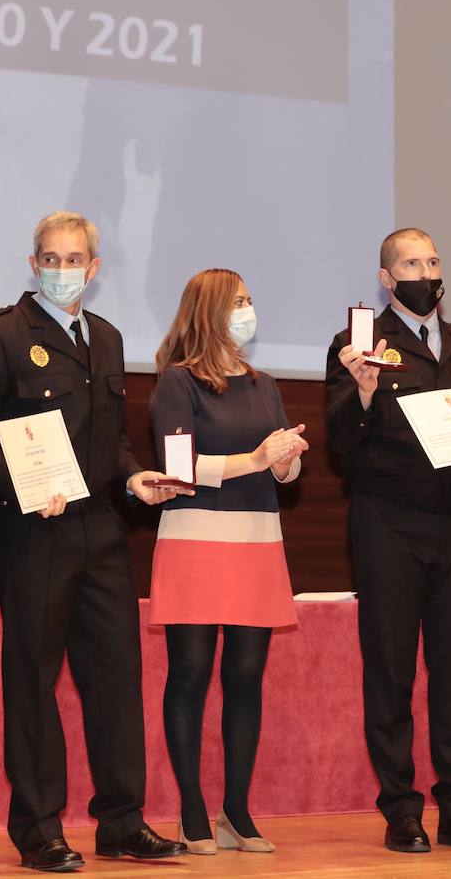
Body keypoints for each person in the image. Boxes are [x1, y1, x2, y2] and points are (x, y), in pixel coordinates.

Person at [0, 211, 187, 871]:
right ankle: (38, 827)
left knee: (116, 680)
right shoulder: (0, 338)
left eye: (73, 258)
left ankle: (122, 822)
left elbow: (108, 440)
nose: (61, 270)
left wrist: (136, 479)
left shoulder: (107, 338)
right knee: (32, 680)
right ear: (33, 265)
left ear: (95, 267)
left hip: (103, 535)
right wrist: (24, 484)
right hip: (36, 535)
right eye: (49, 259)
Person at [326, 227, 451, 854]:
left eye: (433, 260)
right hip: (388, 526)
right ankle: (400, 809)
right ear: (387, 278)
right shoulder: (357, 350)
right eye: (411, 262)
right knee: (390, 668)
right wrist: (362, 392)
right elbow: (344, 451)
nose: (426, 271)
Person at [147, 268, 308, 855]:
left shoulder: (264, 383)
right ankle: (191, 810)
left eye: (249, 298)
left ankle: (235, 810)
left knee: (245, 678)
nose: (247, 309)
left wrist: (286, 460)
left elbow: (280, 472)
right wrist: (256, 457)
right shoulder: (177, 381)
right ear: (208, 311)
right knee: (189, 673)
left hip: (257, 540)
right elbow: (179, 470)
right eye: (236, 301)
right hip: (194, 539)